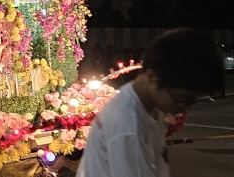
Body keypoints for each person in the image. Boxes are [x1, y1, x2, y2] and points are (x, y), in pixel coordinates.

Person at [76, 28, 224, 177]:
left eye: (191, 102)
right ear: (153, 78)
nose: (184, 108)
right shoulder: (126, 127)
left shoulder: (144, 101)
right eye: (181, 99)